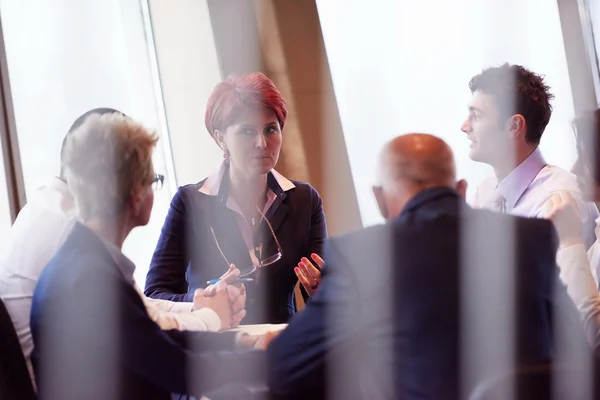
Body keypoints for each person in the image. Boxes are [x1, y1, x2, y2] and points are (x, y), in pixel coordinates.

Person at [267, 134, 586, 399]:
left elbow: (285, 368)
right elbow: (578, 353)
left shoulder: (361, 255)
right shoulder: (530, 237)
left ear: (379, 199)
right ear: (461, 190)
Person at [0, 108, 245, 388]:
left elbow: (136, 314)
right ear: (133, 193)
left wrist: (202, 313)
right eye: (153, 179)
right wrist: (215, 318)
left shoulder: (58, 225)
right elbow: (160, 349)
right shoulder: (75, 251)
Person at [145, 72, 327, 324]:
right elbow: (155, 294)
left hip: (279, 347)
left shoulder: (304, 200)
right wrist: (202, 301)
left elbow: (324, 300)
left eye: (270, 129)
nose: (261, 143)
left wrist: (322, 291)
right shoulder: (190, 202)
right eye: (246, 132)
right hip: (215, 350)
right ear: (221, 139)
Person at [462, 63, 600, 328]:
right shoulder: (485, 192)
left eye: (476, 116)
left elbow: (575, 312)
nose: (464, 126)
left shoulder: (558, 198)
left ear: (514, 126)